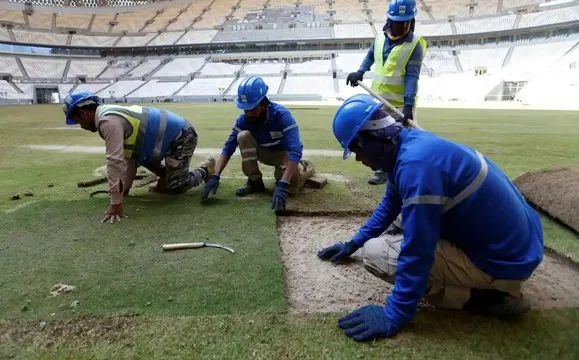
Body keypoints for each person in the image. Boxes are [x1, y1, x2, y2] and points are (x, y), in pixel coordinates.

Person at [318, 94, 544, 342]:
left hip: (504, 261)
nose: (359, 159)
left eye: (356, 149)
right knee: (398, 224)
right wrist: (353, 243)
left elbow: (419, 249)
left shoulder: (416, 167)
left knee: (376, 254)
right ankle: (491, 279)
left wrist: (395, 314)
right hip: (517, 244)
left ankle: (485, 296)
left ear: (370, 140)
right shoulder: (409, 146)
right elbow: (389, 206)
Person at [62, 89, 215, 224]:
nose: (81, 126)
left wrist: (116, 203)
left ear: (83, 113)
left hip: (181, 136)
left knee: (176, 186)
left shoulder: (107, 121)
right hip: (160, 143)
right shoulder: (109, 114)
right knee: (149, 165)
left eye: (77, 121)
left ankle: (205, 170)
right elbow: (131, 158)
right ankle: (166, 177)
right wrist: (124, 190)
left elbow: (115, 162)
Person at [201, 76, 314, 213]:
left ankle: (304, 168)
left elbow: (295, 149)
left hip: (285, 154)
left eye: (252, 109)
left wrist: (284, 183)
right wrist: (216, 175)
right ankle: (255, 182)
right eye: (245, 110)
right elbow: (228, 147)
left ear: (264, 104)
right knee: (242, 136)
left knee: (290, 185)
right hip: (264, 152)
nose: (248, 114)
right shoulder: (243, 120)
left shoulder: (282, 116)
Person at [346, 0, 427, 185]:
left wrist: (408, 105)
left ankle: (403, 174)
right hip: (378, 100)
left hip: (399, 104)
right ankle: (381, 171)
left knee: (401, 141)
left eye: (407, 21)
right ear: (390, 20)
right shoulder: (381, 38)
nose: (403, 25)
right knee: (377, 138)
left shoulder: (415, 45)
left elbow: (412, 77)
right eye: (399, 21)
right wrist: (361, 71)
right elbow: (370, 56)